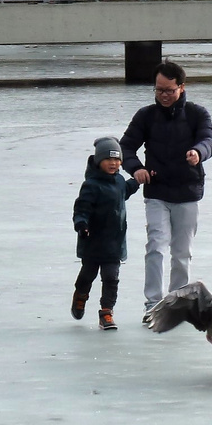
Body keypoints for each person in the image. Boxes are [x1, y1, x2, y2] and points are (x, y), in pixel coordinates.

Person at [120, 61, 212, 321]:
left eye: (169, 90)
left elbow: (209, 140)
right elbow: (125, 147)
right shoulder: (146, 116)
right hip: (157, 192)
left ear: (182, 88)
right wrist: (136, 168)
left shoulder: (198, 114)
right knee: (156, 246)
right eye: (159, 90)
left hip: (187, 192)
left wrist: (198, 152)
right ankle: (152, 304)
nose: (163, 95)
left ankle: (177, 302)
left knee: (182, 252)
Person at [71, 136, 141, 331]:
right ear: (98, 161)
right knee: (87, 275)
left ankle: (106, 312)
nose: (113, 163)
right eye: (108, 159)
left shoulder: (119, 181)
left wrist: (137, 181)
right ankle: (81, 296)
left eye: (117, 159)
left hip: (114, 244)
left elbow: (124, 191)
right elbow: (81, 209)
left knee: (111, 278)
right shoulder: (91, 185)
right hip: (93, 242)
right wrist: (81, 225)